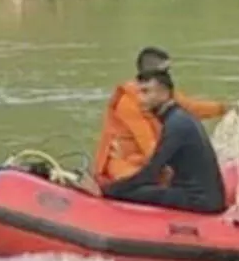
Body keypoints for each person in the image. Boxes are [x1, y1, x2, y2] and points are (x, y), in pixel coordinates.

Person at [83, 71, 226, 213]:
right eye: (139, 92)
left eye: (146, 92)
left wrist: (106, 190)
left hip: (199, 201)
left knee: (132, 192)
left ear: (164, 93)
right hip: (206, 197)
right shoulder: (180, 118)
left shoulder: (176, 125)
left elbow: (151, 173)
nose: (140, 99)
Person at [89, 47, 228, 186]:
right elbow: (148, 145)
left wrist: (223, 108)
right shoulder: (128, 103)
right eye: (164, 71)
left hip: (149, 160)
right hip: (125, 163)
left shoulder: (162, 94)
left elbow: (190, 107)